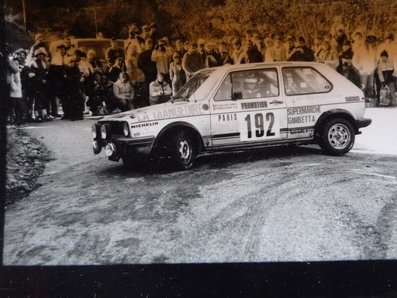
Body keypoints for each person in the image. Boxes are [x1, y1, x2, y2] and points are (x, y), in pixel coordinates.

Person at [352, 32, 378, 98]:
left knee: (370, 87)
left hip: (371, 72)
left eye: (372, 41)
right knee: (363, 87)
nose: (371, 43)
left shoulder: (374, 50)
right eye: (369, 40)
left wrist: (373, 67)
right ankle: (363, 100)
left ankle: (370, 101)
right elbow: (354, 60)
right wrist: (359, 67)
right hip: (363, 72)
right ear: (366, 41)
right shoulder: (360, 49)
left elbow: (376, 60)